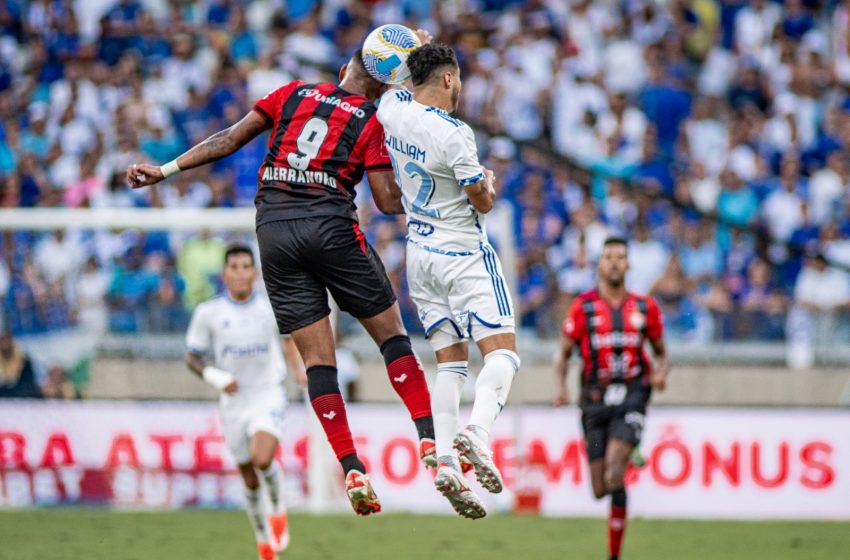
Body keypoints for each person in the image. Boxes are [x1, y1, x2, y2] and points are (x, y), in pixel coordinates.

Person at [127, 46, 436, 516]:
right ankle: (430, 441)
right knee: (392, 336)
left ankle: (351, 464)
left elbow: (230, 138)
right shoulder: (374, 119)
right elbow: (387, 202)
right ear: (381, 88)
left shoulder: (292, 92)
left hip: (273, 231)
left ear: (342, 71)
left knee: (317, 361)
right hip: (330, 224)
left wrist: (165, 171)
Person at [377, 42, 521, 519]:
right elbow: (482, 202)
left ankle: (443, 460)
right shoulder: (455, 133)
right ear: (447, 80)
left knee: (451, 364)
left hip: (419, 254)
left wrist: (411, 47)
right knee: (502, 354)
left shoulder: (391, 110)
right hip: (462, 252)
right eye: (457, 78)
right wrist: (488, 183)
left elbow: (395, 83)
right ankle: (477, 435)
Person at [553, 237, 670, 560]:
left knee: (615, 473)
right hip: (593, 400)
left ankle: (614, 555)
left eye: (621, 257)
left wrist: (660, 374)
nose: (616, 262)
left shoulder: (645, 307)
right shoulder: (584, 307)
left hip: (633, 395)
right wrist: (561, 387)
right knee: (600, 488)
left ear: (628, 265)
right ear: (600, 264)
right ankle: (627, 451)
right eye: (609, 257)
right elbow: (562, 354)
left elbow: (662, 355)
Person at [185, 245, 303, 560]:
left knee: (262, 458)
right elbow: (192, 358)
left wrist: (297, 370)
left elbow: (289, 338)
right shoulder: (208, 313)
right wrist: (214, 376)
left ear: (255, 272)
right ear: (225, 274)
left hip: (267, 392)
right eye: (234, 267)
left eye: (245, 267)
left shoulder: (269, 307)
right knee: (249, 478)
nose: (239, 273)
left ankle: (277, 506)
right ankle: (264, 540)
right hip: (233, 400)